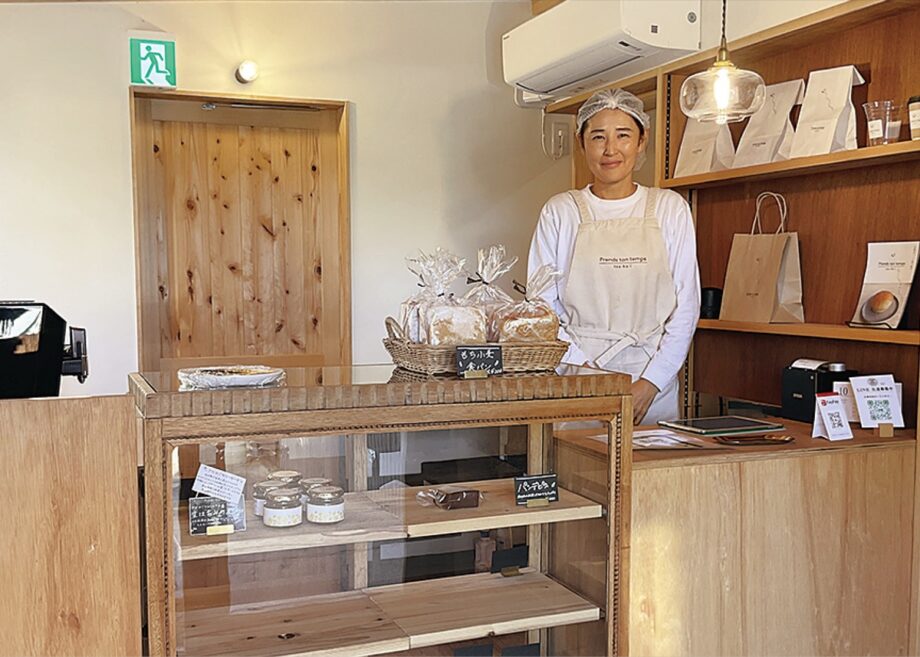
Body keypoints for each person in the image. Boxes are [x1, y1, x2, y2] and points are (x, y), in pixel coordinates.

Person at [528, 88, 700, 425]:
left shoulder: (670, 208)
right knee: (578, 473)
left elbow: (687, 304)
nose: (610, 149)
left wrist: (651, 382)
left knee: (652, 475)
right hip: (579, 376)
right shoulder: (561, 211)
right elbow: (542, 309)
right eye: (598, 137)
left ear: (641, 141)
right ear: (582, 144)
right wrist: (586, 375)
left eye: (623, 136)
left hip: (653, 380)